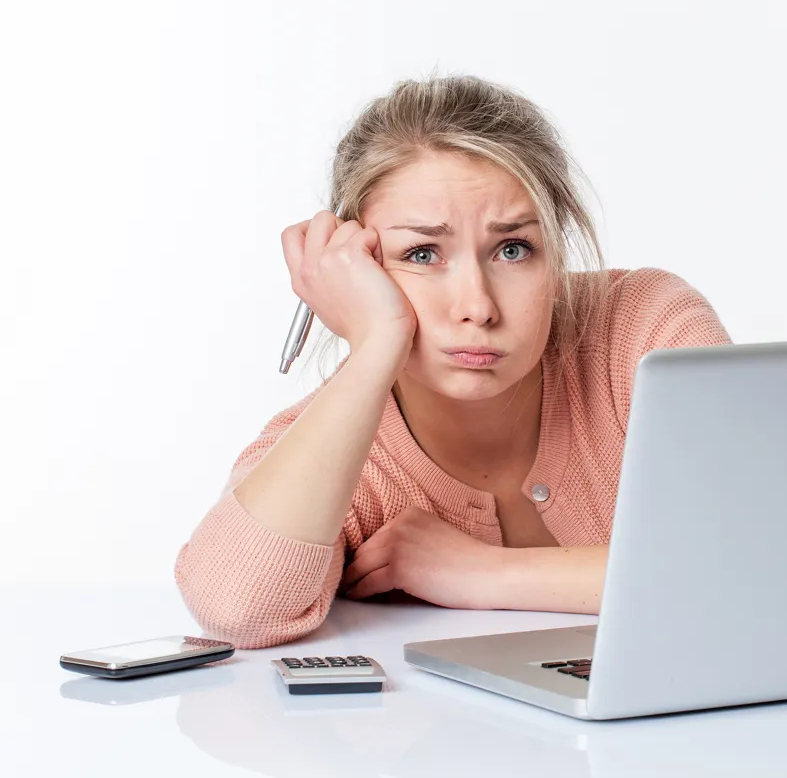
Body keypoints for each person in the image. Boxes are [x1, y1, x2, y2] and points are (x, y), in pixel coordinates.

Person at [174, 74, 732, 648]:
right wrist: (376, 344)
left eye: (513, 249)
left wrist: (475, 571)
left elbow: (768, 554)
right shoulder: (348, 449)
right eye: (421, 253)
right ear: (359, 266)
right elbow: (237, 607)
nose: (477, 307)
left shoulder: (645, 331)